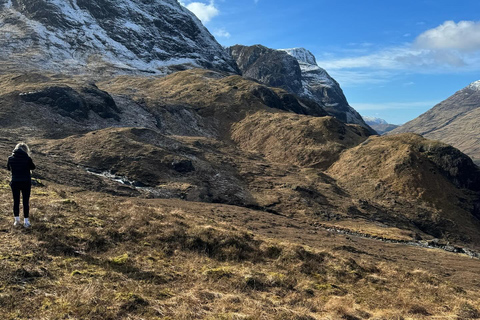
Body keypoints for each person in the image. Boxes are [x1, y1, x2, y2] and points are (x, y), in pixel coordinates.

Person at [7, 143, 36, 228]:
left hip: (15, 182)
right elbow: (33, 167)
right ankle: (26, 221)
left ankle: (16, 220)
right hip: (26, 182)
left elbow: (9, 168)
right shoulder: (27, 158)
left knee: (16, 201)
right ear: (26, 150)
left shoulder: (10, 158)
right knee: (25, 201)